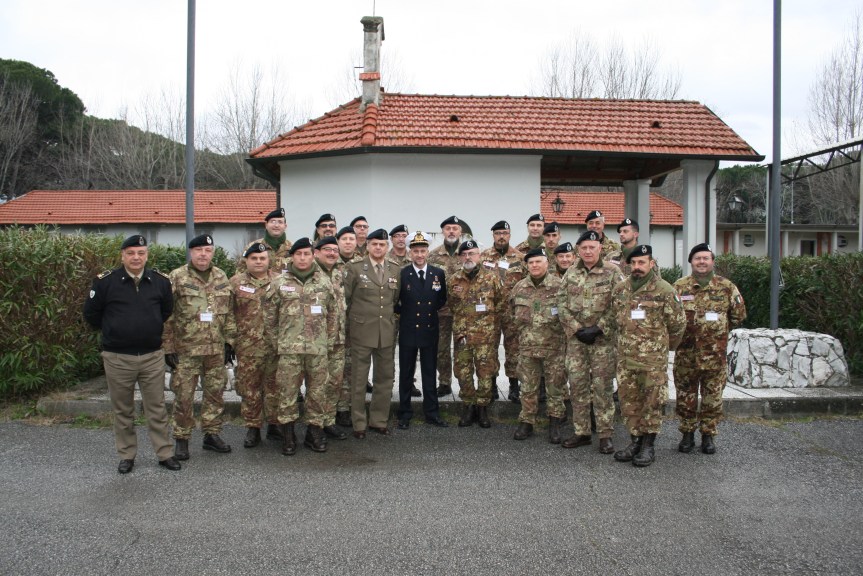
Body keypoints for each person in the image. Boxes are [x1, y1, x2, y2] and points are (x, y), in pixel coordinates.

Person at [83, 234, 180, 473]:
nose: (136, 257)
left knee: (156, 407)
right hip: (118, 358)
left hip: (151, 356)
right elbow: (91, 315)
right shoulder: (106, 282)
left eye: (141, 253)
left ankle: (165, 453)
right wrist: (116, 331)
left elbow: (166, 311)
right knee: (122, 409)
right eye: (131, 253)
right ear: (123, 255)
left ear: (147, 255)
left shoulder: (160, 282)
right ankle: (127, 455)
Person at [610, 245, 685, 467]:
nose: (637, 267)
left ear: (651, 264)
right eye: (633, 263)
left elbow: (678, 325)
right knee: (629, 402)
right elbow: (615, 320)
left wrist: (662, 348)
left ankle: (648, 446)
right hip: (625, 359)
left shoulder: (664, 290)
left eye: (642, 262)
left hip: (652, 361)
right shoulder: (621, 289)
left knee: (652, 403)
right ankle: (635, 441)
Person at [162, 234, 237, 460]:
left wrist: (230, 342)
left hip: (215, 349)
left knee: (215, 394)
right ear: (191, 252)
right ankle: (182, 438)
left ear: (212, 253)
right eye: (199, 250)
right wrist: (168, 346)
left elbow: (230, 312)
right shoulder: (176, 277)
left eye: (208, 250)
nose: (203, 254)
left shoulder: (221, 277)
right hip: (186, 350)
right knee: (183, 396)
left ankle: (211, 434)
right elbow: (166, 315)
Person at [673, 242, 747, 454]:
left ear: (712, 261)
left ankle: (708, 436)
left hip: (714, 357)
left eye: (706, 258)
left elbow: (738, 315)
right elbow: (671, 317)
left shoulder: (726, 287)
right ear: (691, 262)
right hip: (686, 356)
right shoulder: (679, 287)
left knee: (712, 399)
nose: (702, 262)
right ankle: (687, 434)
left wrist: (716, 333)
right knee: (685, 397)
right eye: (698, 258)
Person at [557, 231, 623, 453]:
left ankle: (605, 434)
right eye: (583, 247)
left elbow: (619, 304)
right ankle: (582, 432)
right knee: (577, 387)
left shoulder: (613, 272)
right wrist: (576, 329)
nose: (587, 251)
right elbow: (561, 302)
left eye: (591, 247)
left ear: (600, 248)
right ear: (578, 250)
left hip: (602, 342)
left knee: (602, 388)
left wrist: (598, 328)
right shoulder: (571, 272)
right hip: (577, 342)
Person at [272, 237, 338, 455]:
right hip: (289, 350)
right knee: (287, 393)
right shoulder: (279, 282)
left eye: (306, 254)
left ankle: (314, 432)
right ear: (292, 256)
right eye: (298, 254)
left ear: (313, 256)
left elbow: (332, 316)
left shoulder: (324, 282)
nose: (302, 258)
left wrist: (327, 344)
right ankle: (288, 435)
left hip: (317, 350)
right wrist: (278, 344)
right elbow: (268, 317)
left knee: (318, 393)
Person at [344, 228, 402, 438]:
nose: (378, 248)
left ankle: (378, 420)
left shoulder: (395, 269)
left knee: (384, 378)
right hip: (361, 331)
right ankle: (359, 423)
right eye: (375, 244)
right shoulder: (355, 267)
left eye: (382, 244)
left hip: (385, 331)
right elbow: (346, 299)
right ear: (367, 245)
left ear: (387, 247)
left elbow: (394, 301)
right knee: (359, 379)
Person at [509, 248, 566, 442]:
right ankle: (527, 422)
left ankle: (555, 423)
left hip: (554, 348)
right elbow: (511, 314)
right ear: (526, 265)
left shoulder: (560, 286)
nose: (534, 265)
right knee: (528, 387)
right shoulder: (519, 287)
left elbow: (568, 315)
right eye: (531, 262)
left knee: (555, 388)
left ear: (547, 263)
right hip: (527, 348)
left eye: (538, 261)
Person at [229, 242, 281, 448]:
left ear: (269, 261)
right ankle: (253, 427)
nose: (258, 262)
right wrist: (230, 341)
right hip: (248, 347)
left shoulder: (280, 281)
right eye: (254, 258)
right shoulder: (235, 283)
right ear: (246, 261)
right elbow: (228, 314)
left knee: (275, 387)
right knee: (250, 389)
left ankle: (275, 424)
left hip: (275, 346)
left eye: (262, 258)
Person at [395, 232, 449, 429]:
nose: (419, 255)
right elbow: (396, 302)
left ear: (428, 252)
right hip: (409, 330)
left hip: (429, 329)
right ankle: (405, 413)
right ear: (410, 253)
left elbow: (441, 299)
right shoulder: (402, 274)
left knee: (429, 373)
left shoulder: (438, 273)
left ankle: (432, 413)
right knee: (406, 374)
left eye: (423, 251)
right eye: (416, 251)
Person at [448, 239, 504, 428]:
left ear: (479, 256)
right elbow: (451, 304)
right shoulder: (454, 280)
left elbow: (500, 303)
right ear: (460, 257)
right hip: (462, 335)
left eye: (472, 253)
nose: (468, 257)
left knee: (485, 373)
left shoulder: (492, 278)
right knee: (463, 372)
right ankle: (468, 406)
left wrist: (491, 328)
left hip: (485, 337)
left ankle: (482, 408)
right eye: (464, 254)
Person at [479, 220, 525, 402]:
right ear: (493, 236)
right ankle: (492, 385)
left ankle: (514, 386)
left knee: (514, 349)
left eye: (505, 233)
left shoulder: (520, 258)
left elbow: (527, 285)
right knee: (490, 349)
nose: (501, 236)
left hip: (512, 312)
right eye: (498, 233)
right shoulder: (484, 257)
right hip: (490, 312)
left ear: (510, 235)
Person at [313, 236, 350, 441]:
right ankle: (315, 423)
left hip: (338, 338)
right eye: (327, 249)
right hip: (317, 340)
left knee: (334, 383)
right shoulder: (310, 274)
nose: (332, 253)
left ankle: (329, 421)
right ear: (316, 252)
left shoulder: (339, 273)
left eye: (335, 250)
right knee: (317, 384)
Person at [427, 215, 464, 397]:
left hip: (462, 312)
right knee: (441, 348)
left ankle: (465, 383)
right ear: (442, 231)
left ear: (460, 232)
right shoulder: (432, 255)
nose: (451, 231)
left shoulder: (467, 254)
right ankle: (444, 382)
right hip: (440, 311)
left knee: (462, 348)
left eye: (455, 228)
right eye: (448, 228)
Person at [238, 207, 292, 273]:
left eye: (280, 222)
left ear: (285, 226)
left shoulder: (293, 248)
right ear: (266, 225)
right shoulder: (251, 247)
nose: (276, 225)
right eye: (273, 221)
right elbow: (240, 272)